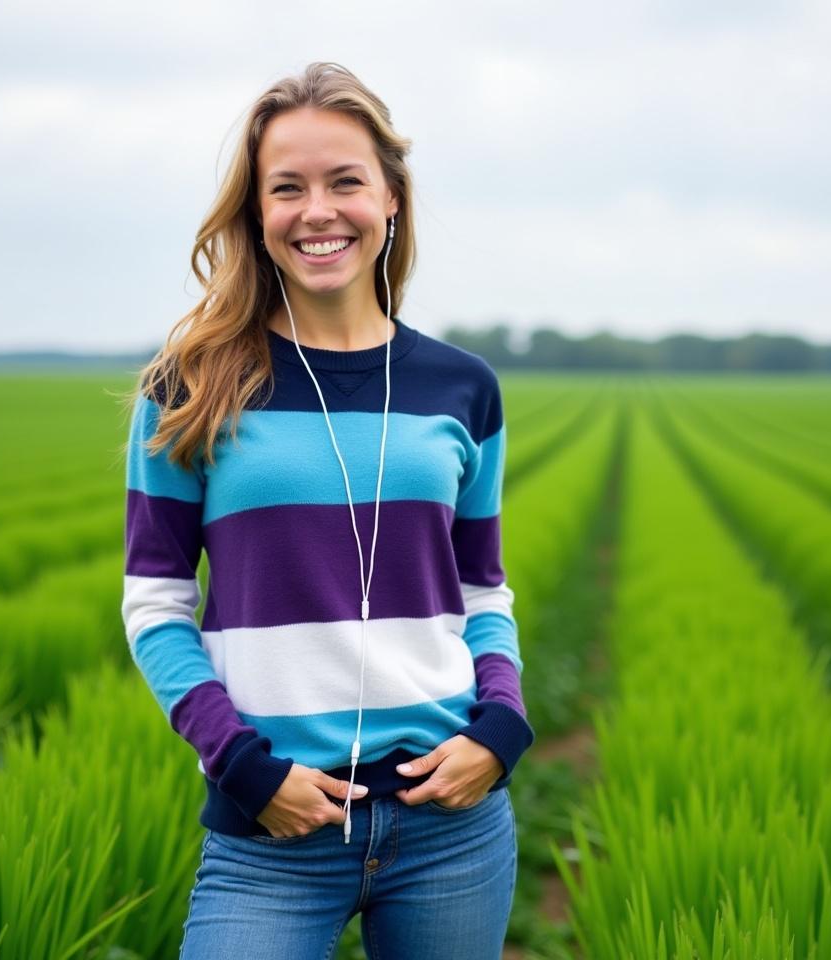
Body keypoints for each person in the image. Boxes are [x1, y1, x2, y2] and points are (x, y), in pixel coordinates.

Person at [121, 61, 535, 959]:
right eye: (287, 188)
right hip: (272, 831)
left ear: (390, 197)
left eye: (345, 180)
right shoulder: (190, 385)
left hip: (451, 824)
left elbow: (482, 592)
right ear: (256, 213)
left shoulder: (463, 389)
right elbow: (154, 607)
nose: (318, 211)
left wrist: (500, 729)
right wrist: (242, 766)